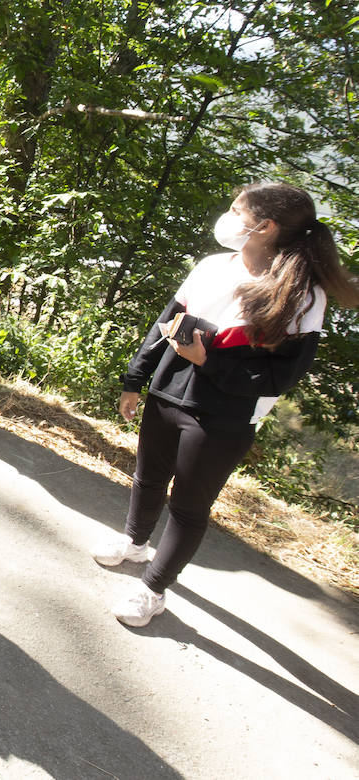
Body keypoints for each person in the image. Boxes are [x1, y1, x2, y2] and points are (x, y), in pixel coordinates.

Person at [96, 183, 359, 627]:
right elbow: (165, 323)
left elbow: (280, 377)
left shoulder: (303, 295)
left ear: (264, 226)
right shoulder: (212, 266)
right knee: (147, 477)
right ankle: (134, 545)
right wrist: (135, 380)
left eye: (237, 210)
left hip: (225, 414)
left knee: (189, 505)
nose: (228, 216)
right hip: (166, 392)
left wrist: (208, 361)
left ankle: (152, 590)